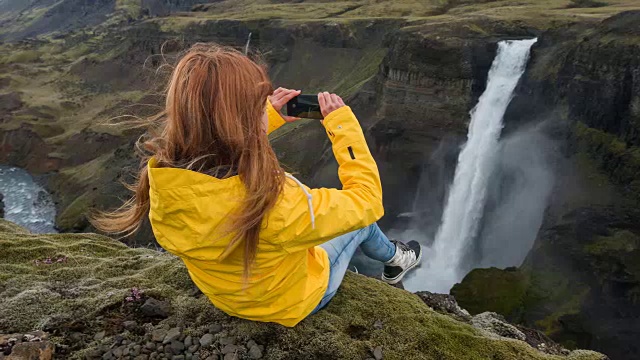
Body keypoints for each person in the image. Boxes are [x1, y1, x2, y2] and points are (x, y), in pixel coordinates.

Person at [93, 43, 422, 327]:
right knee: (361, 224)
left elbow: (222, 146)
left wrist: (268, 117)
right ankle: (396, 259)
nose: (265, 105)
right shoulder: (278, 205)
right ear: (243, 119)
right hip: (289, 303)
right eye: (257, 104)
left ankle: (395, 256)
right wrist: (342, 125)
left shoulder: (164, 182)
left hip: (227, 297)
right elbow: (367, 200)